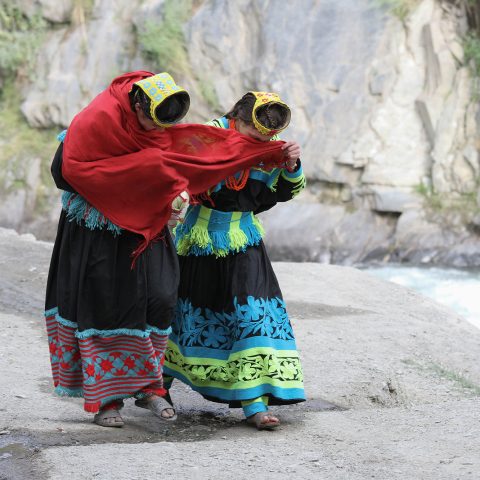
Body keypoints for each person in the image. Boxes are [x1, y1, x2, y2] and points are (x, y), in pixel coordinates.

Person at [44, 73, 288, 428]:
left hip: (148, 223)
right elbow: (64, 173)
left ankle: (149, 387)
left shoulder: (152, 128)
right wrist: (123, 181)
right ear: (137, 104)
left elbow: (186, 158)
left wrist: (163, 187)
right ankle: (107, 401)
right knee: (106, 305)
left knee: (160, 298)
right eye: (152, 120)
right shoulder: (97, 122)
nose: (157, 129)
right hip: (98, 229)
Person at [163, 91, 306, 430]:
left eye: (267, 138)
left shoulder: (270, 149)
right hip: (196, 243)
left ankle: (255, 404)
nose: (263, 142)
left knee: (252, 316)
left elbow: (289, 191)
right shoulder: (204, 138)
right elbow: (173, 172)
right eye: (256, 136)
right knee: (181, 315)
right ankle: (157, 387)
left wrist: (291, 165)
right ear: (238, 120)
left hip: (244, 240)